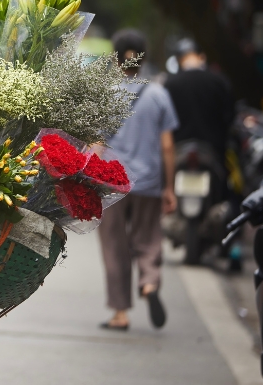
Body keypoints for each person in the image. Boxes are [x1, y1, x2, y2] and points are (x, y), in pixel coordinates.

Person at [99, 30, 179, 331]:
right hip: (148, 180)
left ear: (116, 57)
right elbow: (168, 145)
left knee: (113, 245)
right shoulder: (158, 93)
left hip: (111, 182)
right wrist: (169, 187)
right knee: (148, 237)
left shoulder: (106, 93)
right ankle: (149, 282)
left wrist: (83, 174)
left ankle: (120, 313)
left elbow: (96, 141)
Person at [164, 38, 234, 174]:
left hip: (178, 150)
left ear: (179, 60)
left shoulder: (170, 84)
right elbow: (229, 116)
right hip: (213, 150)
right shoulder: (219, 81)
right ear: (202, 57)